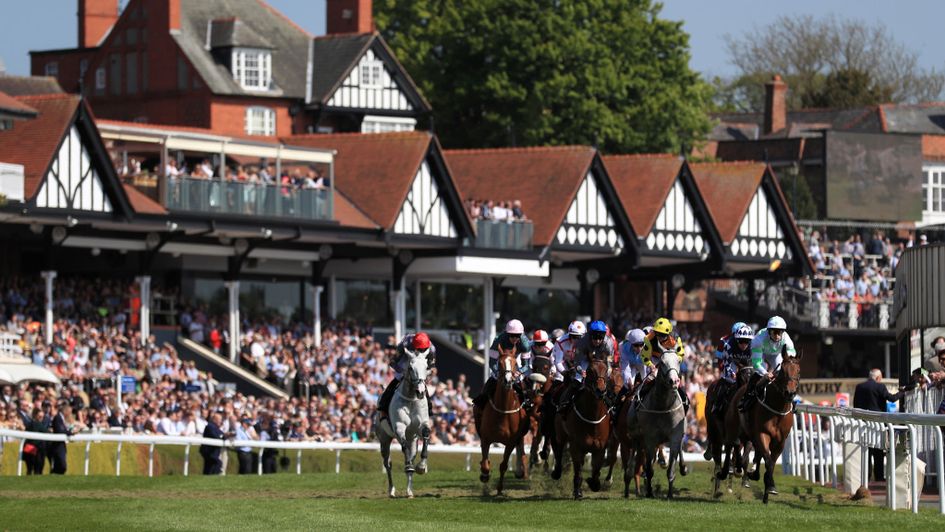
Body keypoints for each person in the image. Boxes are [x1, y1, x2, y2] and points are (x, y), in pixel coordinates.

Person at [853, 369, 905, 482]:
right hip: (878, 423)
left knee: (866, 450)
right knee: (878, 450)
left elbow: (855, 405)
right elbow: (892, 398)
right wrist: (902, 392)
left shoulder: (859, 387)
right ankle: (879, 476)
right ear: (878, 378)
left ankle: (866, 476)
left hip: (864, 422)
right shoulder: (880, 386)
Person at [739, 316, 797, 411]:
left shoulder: (786, 339)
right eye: (775, 332)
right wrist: (765, 373)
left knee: (783, 371)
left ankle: (790, 397)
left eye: (780, 332)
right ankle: (747, 397)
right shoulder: (759, 340)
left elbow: (792, 356)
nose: (777, 335)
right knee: (760, 373)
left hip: (775, 355)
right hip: (762, 354)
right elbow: (756, 364)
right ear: (769, 331)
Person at [377, 332, 436, 423]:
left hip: (420, 365)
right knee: (397, 379)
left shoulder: (431, 348)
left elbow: (431, 366)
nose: (421, 351)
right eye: (419, 349)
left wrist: (425, 376)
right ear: (414, 345)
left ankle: (429, 410)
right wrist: (403, 371)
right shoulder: (405, 343)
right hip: (405, 360)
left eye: (423, 349)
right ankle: (383, 406)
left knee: (422, 384)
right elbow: (393, 362)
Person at [557, 320, 618, 411]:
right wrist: (581, 371)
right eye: (595, 338)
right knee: (578, 380)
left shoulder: (609, 343)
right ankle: (564, 403)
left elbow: (609, 363)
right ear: (590, 335)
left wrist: (606, 374)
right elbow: (577, 362)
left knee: (608, 379)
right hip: (585, 359)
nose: (597, 341)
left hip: (601, 359)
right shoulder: (582, 342)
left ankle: (613, 406)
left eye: (600, 338)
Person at [473, 319, 532, 408]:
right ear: (507, 334)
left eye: (517, 336)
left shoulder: (525, 344)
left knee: (525, 388)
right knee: (490, 384)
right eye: (512, 335)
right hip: (500, 364)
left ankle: (527, 404)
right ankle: (479, 405)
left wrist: (518, 372)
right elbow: (492, 362)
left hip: (515, 363)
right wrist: (498, 373)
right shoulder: (498, 340)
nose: (515, 338)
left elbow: (526, 365)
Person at [638, 317, 689, 412]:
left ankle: (685, 401)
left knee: (677, 381)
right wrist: (650, 365)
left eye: (662, 335)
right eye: (657, 333)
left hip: (671, 361)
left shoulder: (675, 339)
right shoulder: (649, 338)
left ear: (668, 333)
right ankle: (639, 400)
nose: (659, 337)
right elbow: (644, 356)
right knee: (649, 379)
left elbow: (681, 355)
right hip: (655, 360)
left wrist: (672, 361)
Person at [713, 325, 755, 417]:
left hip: (747, 364)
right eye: (741, 341)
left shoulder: (754, 346)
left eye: (746, 341)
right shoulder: (729, 345)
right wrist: (731, 373)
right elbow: (726, 362)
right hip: (732, 363)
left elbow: (755, 363)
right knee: (727, 380)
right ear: (736, 340)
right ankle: (717, 405)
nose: (744, 344)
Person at [618, 328, 646, 398]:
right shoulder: (624, 348)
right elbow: (625, 367)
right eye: (636, 345)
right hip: (631, 365)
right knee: (628, 386)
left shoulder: (648, 347)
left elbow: (648, 367)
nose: (639, 348)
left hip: (643, 365)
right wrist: (628, 380)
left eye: (641, 345)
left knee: (646, 381)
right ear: (630, 343)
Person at [48, 402, 73, 474]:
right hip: (57, 445)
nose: (70, 414)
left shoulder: (61, 418)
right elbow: (60, 430)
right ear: (65, 411)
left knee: (61, 465)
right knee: (62, 465)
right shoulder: (58, 418)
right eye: (69, 412)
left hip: (61, 444)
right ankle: (53, 473)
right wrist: (70, 433)